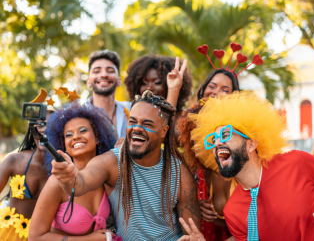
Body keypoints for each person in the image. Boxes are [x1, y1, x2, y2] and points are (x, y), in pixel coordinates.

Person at [51, 91, 201, 240]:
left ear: (163, 132)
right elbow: (79, 184)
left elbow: (191, 234)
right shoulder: (112, 162)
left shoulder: (180, 174)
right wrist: (68, 176)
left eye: (147, 124)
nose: (137, 128)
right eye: (133, 122)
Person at [188, 91, 314, 241]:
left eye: (225, 135)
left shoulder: (296, 162)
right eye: (213, 139)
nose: (217, 143)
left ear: (251, 144)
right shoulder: (233, 211)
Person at [29, 102, 117, 241]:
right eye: (69, 135)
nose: (75, 137)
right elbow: (35, 237)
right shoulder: (57, 183)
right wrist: (88, 239)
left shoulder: (105, 177)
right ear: (64, 144)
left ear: (98, 137)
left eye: (83, 131)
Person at [177, 67, 239, 241]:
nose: (216, 92)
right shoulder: (188, 126)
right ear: (203, 90)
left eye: (225, 90)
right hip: (200, 230)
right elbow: (162, 132)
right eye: (212, 86)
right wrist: (195, 205)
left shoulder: (238, 137)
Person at [0, 110, 53, 240]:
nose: (44, 129)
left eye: (51, 126)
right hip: (8, 232)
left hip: (43, 236)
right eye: (40, 124)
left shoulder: (66, 167)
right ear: (32, 129)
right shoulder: (14, 160)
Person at [86, 50, 131, 140]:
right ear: (88, 82)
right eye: (96, 71)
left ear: (119, 81)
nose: (104, 75)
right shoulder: (79, 115)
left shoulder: (132, 109)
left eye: (110, 71)